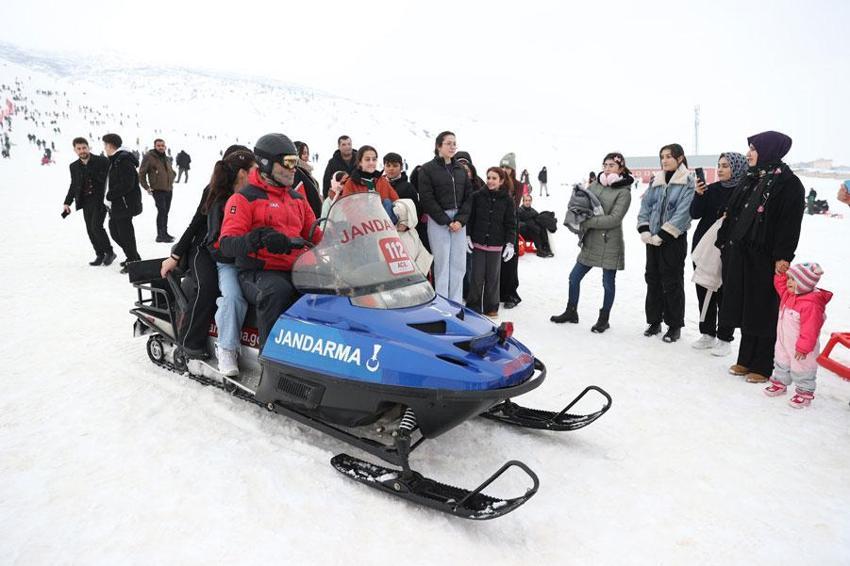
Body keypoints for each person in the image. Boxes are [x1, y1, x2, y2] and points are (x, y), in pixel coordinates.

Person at [717, 131, 805, 383]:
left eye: (754, 149)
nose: (749, 154)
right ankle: (745, 359)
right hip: (740, 251)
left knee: (763, 308)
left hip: (766, 256)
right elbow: (733, 212)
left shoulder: (788, 183)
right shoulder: (751, 177)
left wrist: (783, 256)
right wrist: (724, 239)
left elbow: (790, 224)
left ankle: (762, 364)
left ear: (769, 150)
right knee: (745, 304)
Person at [218, 133, 322, 347]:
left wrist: (344, 237)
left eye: (296, 162)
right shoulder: (244, 198)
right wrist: (259, 238)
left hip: (296, 269)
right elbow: (227, 244)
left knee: (327, 290)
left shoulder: (297, 199)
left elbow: (315, 235)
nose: (295, 168)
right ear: (266, 164)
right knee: (277, 291)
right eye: (289, 162)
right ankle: (270, 359)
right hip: (257, 272)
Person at [159, 145, 253, 364]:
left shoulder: (251, 192)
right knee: (206, 286)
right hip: (203, 249)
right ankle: (189, 343)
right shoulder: (214, 190)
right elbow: (195, 225)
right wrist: (175, 256)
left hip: (230, 252)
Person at [551, 152, 633, 332]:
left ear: (620, 168)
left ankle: (604, 319)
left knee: (608, 283)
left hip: (610, 242)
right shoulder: (596, 184)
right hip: (591, 240)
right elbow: (586, 204)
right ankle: (571, 311)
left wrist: (587, 222)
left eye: (611, 165)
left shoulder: (624, 192)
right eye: (605, 164)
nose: (607, 168)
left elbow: (614, 219)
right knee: (574, 277)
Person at [689, 152, 747, 355]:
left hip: (729, 249)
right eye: (718, 165)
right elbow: (695, 214)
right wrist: (698, 194)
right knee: (703, 289)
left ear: (737, 168)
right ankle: (707, 333)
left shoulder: (744, 191)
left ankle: (724, 338)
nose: (720, 169)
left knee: (725, 293)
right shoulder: (711, 189)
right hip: (704, 246)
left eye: (725, 165)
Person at [637, 144, 694, 343]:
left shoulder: (688, 181)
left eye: (669, 156)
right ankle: (654, 321)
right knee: (652, 279)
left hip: (673, 239)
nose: (664, 160)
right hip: (652, 239)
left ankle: (674, 324)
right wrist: (645, 229)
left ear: (680, 158)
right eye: (662, 156)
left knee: (672, 281)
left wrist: (664, 234)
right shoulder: (656, 180)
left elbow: (683, 212)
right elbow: (646, 205)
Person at [763, 263, 831, 408]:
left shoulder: (811, 304)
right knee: (782, 361)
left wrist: (804, 348)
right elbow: (780, 286)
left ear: (804, 283)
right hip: (784, 340)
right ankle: (780, 383)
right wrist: (781, 274)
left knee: (803, 367)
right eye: (788, 278)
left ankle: (804, 392)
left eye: (793, 279)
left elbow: (810, 329)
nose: (788, 282)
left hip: (802, 347)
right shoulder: (790, 294)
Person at [417, 131, 473, 303]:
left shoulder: (460, 170)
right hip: (439, 220)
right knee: (442, 263)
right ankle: (442, 302)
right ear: (438, 146)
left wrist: (460, 220)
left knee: (458, 264)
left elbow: (468, 197)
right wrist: (446, 221)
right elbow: (427, 198)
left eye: (454, 143)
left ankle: (455, 302)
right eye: (448, 143)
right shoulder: (427, 169)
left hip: (459, 221)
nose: (452, 146)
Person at [465, 167, 516, 317]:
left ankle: (491, 307)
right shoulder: (477, 196)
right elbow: (470, 219)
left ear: (501, 181)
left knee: (493, 278)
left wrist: (510, 243)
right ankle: (473, 306)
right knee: (476, 277)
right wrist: (467, 236)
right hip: (478, 243)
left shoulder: (507, 200)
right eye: (488, 177)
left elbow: (510, 224)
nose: (490, 181)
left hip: (495, 245)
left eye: (494, 178)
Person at [63, 137, 116, 266]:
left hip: (101, 199)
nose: (82, 151)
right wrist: (67, 202)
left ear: (88, 147)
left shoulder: (102, 161)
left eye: (84, 148)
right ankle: (99, 254)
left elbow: (110, 180)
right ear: (75, 150)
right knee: (90, 230)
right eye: (79, 149)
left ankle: (109, 252)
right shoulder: (74, 166)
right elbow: (74, 184)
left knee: (96, 227)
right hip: (85, 201)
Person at [102, 133, 142, 273]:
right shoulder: (116, 159)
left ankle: (134, 261)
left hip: (125, 205)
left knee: (125, 234)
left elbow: (127, 184)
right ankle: (133, 257)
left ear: (110, 145)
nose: (105, 148)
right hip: (117, 205)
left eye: (105, 145)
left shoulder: (123, 160)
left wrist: (110, 194)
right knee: (115, 232)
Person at [139, 138, 177, 243]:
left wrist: (172, 176)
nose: (161, 147)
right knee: (162, 211)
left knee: (166, 212)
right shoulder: (149, 157)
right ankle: (160, 235)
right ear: (155, 146)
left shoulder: (166, 157)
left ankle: (164, 233)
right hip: (158, 189)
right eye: (158, 145)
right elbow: (141, 174)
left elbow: (170, 171)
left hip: (168, 189)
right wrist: (146, 187)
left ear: (165, 146)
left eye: (162, 145)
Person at [499, 153, 523, 309]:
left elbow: (513, 207)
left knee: (510, 262)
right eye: (502, 166)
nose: (504, 169)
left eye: (507, 167)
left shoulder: (517, 185)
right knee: (499, 262)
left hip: (511, 225)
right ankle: (500, 292)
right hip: (497, 226)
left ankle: (511, 294)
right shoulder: (497, 181)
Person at [293, 140, 322, 218]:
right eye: (303, 153)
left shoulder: (307, 171)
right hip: (307, 214)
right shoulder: (296, 172)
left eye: (307, 153)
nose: (306, 156)